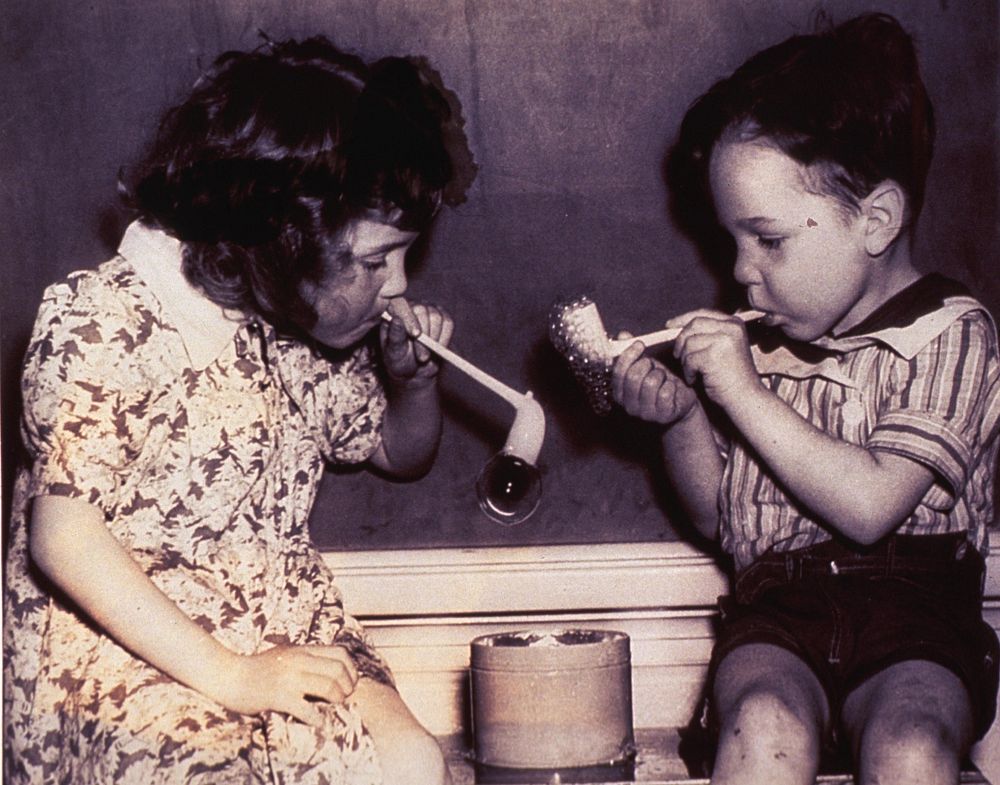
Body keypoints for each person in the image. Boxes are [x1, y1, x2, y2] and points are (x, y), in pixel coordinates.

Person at [3, 34, 468, 784]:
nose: (399, 285)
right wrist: (234, 676)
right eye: (378, 258)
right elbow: (62, 538)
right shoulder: (109, 321)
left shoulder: (298, 333)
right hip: (140, 644)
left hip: (285, 622)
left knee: (412, 760)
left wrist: (414, 385)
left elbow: (396, 450)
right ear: (282, 236)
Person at [613, 13, 1000, 784]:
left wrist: (742, 391)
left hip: (917, 615)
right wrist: (684, 417)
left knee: (913, 742)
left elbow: (870, 505)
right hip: (776, 613)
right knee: (760, 727)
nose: (742, 272)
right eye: (732, 242)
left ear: (876, 220)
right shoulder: (764, 346)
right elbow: (724, 518)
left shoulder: (953, 335)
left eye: (770, 239)